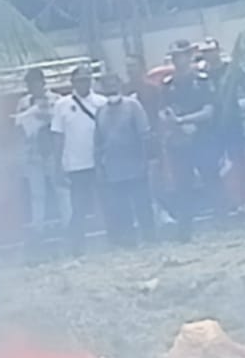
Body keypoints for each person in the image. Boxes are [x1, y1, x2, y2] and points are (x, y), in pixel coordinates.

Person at [161, 40, 223, 241]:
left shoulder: (202, 80)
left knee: (211, 179)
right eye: (174, 56)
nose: (177, 60)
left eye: (181, 55)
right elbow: (163, 111)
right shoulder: (168, 84)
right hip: (179, 141)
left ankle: (222, 222)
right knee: (182, 186)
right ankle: (185, 229)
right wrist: (174, 124)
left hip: (202, 137)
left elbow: (209, 111)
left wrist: (185, 120)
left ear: (189, 56)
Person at [51, 64, 107, 257]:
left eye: (87, 79)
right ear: (73, 82)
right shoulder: (62, 105)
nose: (84, 83)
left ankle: (115, 238)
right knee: (79, 208)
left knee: (107, 203)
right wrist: (58, 165)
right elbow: (58, 136)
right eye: (80, 80)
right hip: (76, 164)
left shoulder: (101, 102)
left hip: (99, 162)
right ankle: (77, 246)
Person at [96, 73, 156, 247]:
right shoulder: (100, 111)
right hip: (113, 169)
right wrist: (100, 167)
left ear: (120, 85)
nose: (111, 89)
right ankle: (129, 241)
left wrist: (145, 161)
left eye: (113, 85)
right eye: (107, 86)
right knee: (122, 208)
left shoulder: (133, 106)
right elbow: (98, 143)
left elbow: (144, 135)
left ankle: (150, 238)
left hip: (136, 165)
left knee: (142, 204)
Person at [13, 66, 60, 250]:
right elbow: (18, 125)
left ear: (42, 83)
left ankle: (68, 223)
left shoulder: (56, 100)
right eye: (30, 84)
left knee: (60, 189)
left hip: (52, 152)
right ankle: (37, 229)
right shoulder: (23, 103)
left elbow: (59, 123)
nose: (33, 87)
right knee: (37, 194)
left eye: (36, 83)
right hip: (33, 153)